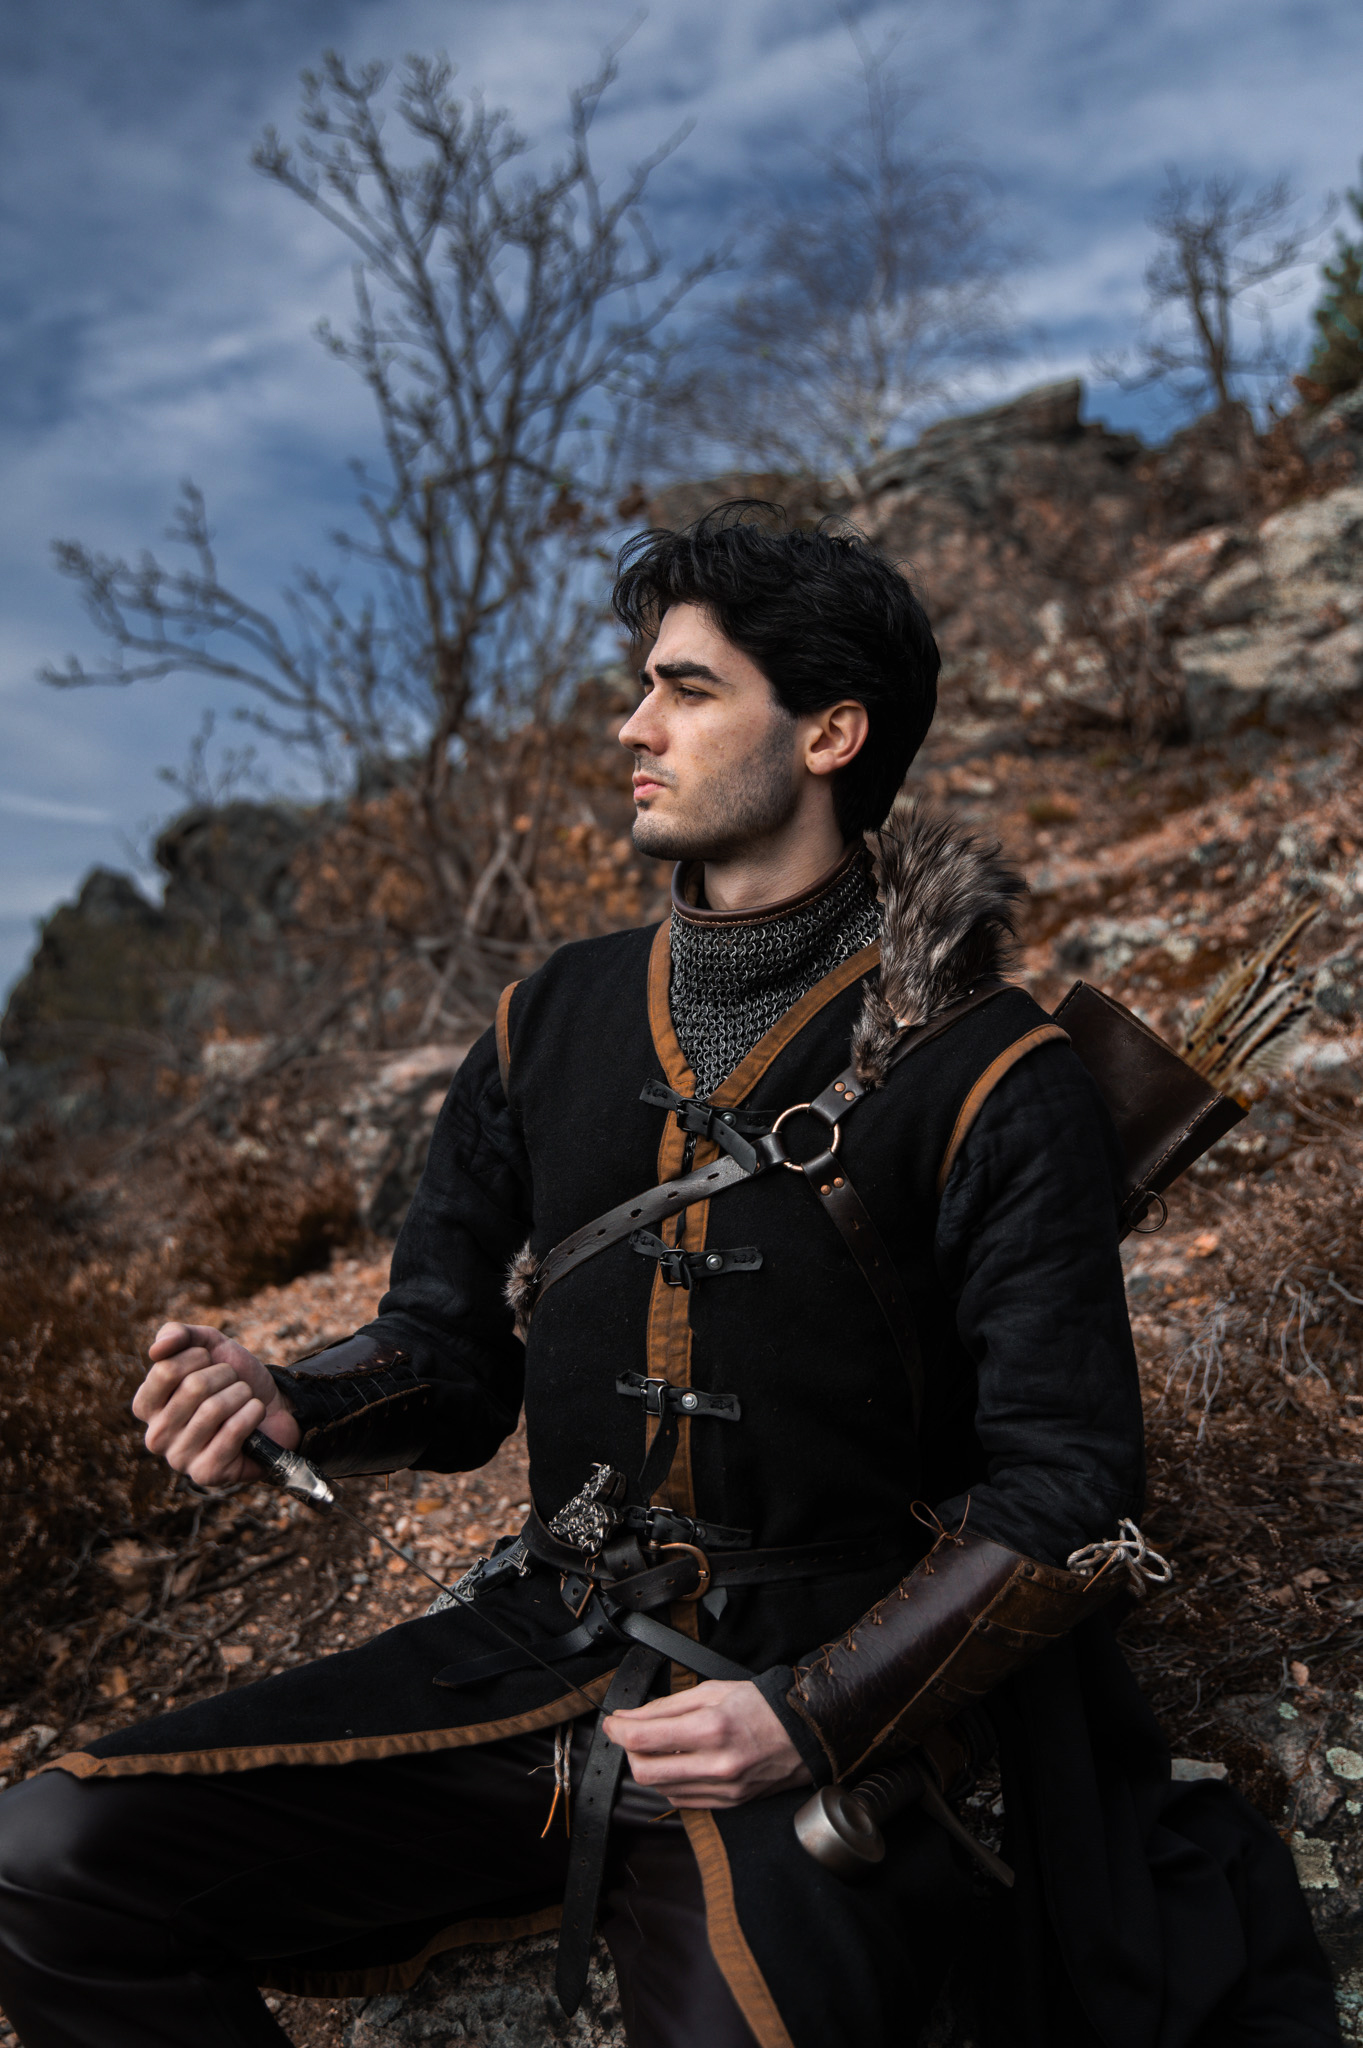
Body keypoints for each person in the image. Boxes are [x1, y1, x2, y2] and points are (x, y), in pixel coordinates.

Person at [0, 505, 1338, 2048]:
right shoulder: (547, 1019)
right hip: (546, 1642)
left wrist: (812, 1716)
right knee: (48, 1857)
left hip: (813, 1690)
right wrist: (296, 1398)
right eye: (643, 686)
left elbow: (1069, 1483)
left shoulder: (994, 1072)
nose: (634, 727)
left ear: (831, 733)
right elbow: (449, 1355)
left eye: (688, 689)